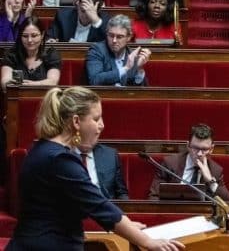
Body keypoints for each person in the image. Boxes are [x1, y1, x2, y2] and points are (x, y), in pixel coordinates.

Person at [6, 86, 184, 250]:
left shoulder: (44, 149)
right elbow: (98, 206)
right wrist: (147, 241)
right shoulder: (59, 159)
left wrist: (129, 226)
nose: (102, 125)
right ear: (76, 121)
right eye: (96, 119)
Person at [148, 123, 229, 201]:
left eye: (204, 149)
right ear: (188, 146)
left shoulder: (215, 170)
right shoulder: (170, 163)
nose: (199, 154)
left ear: (211, 149)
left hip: (202, 216)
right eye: (195, 148)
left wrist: (210, 181)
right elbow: (154, 196)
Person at [85, 15, 151, 87]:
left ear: (129, 37)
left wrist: (138, 69)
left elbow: (140, 90)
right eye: (111, 35)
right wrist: (126, 68)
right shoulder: (97, 50)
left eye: (119, 37)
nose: (114, 40)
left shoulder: (132, 55)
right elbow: (95, 80)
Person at [1, 16, 61, 91]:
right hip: (16, 99)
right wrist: (9, 83)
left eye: (34, 35)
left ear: (42, 35)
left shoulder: (51, 54)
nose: (29, 40)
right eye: (25, 36)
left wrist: (29, 85)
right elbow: (4, 82)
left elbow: (53, 82)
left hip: (44, 99)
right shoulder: (11, 54)